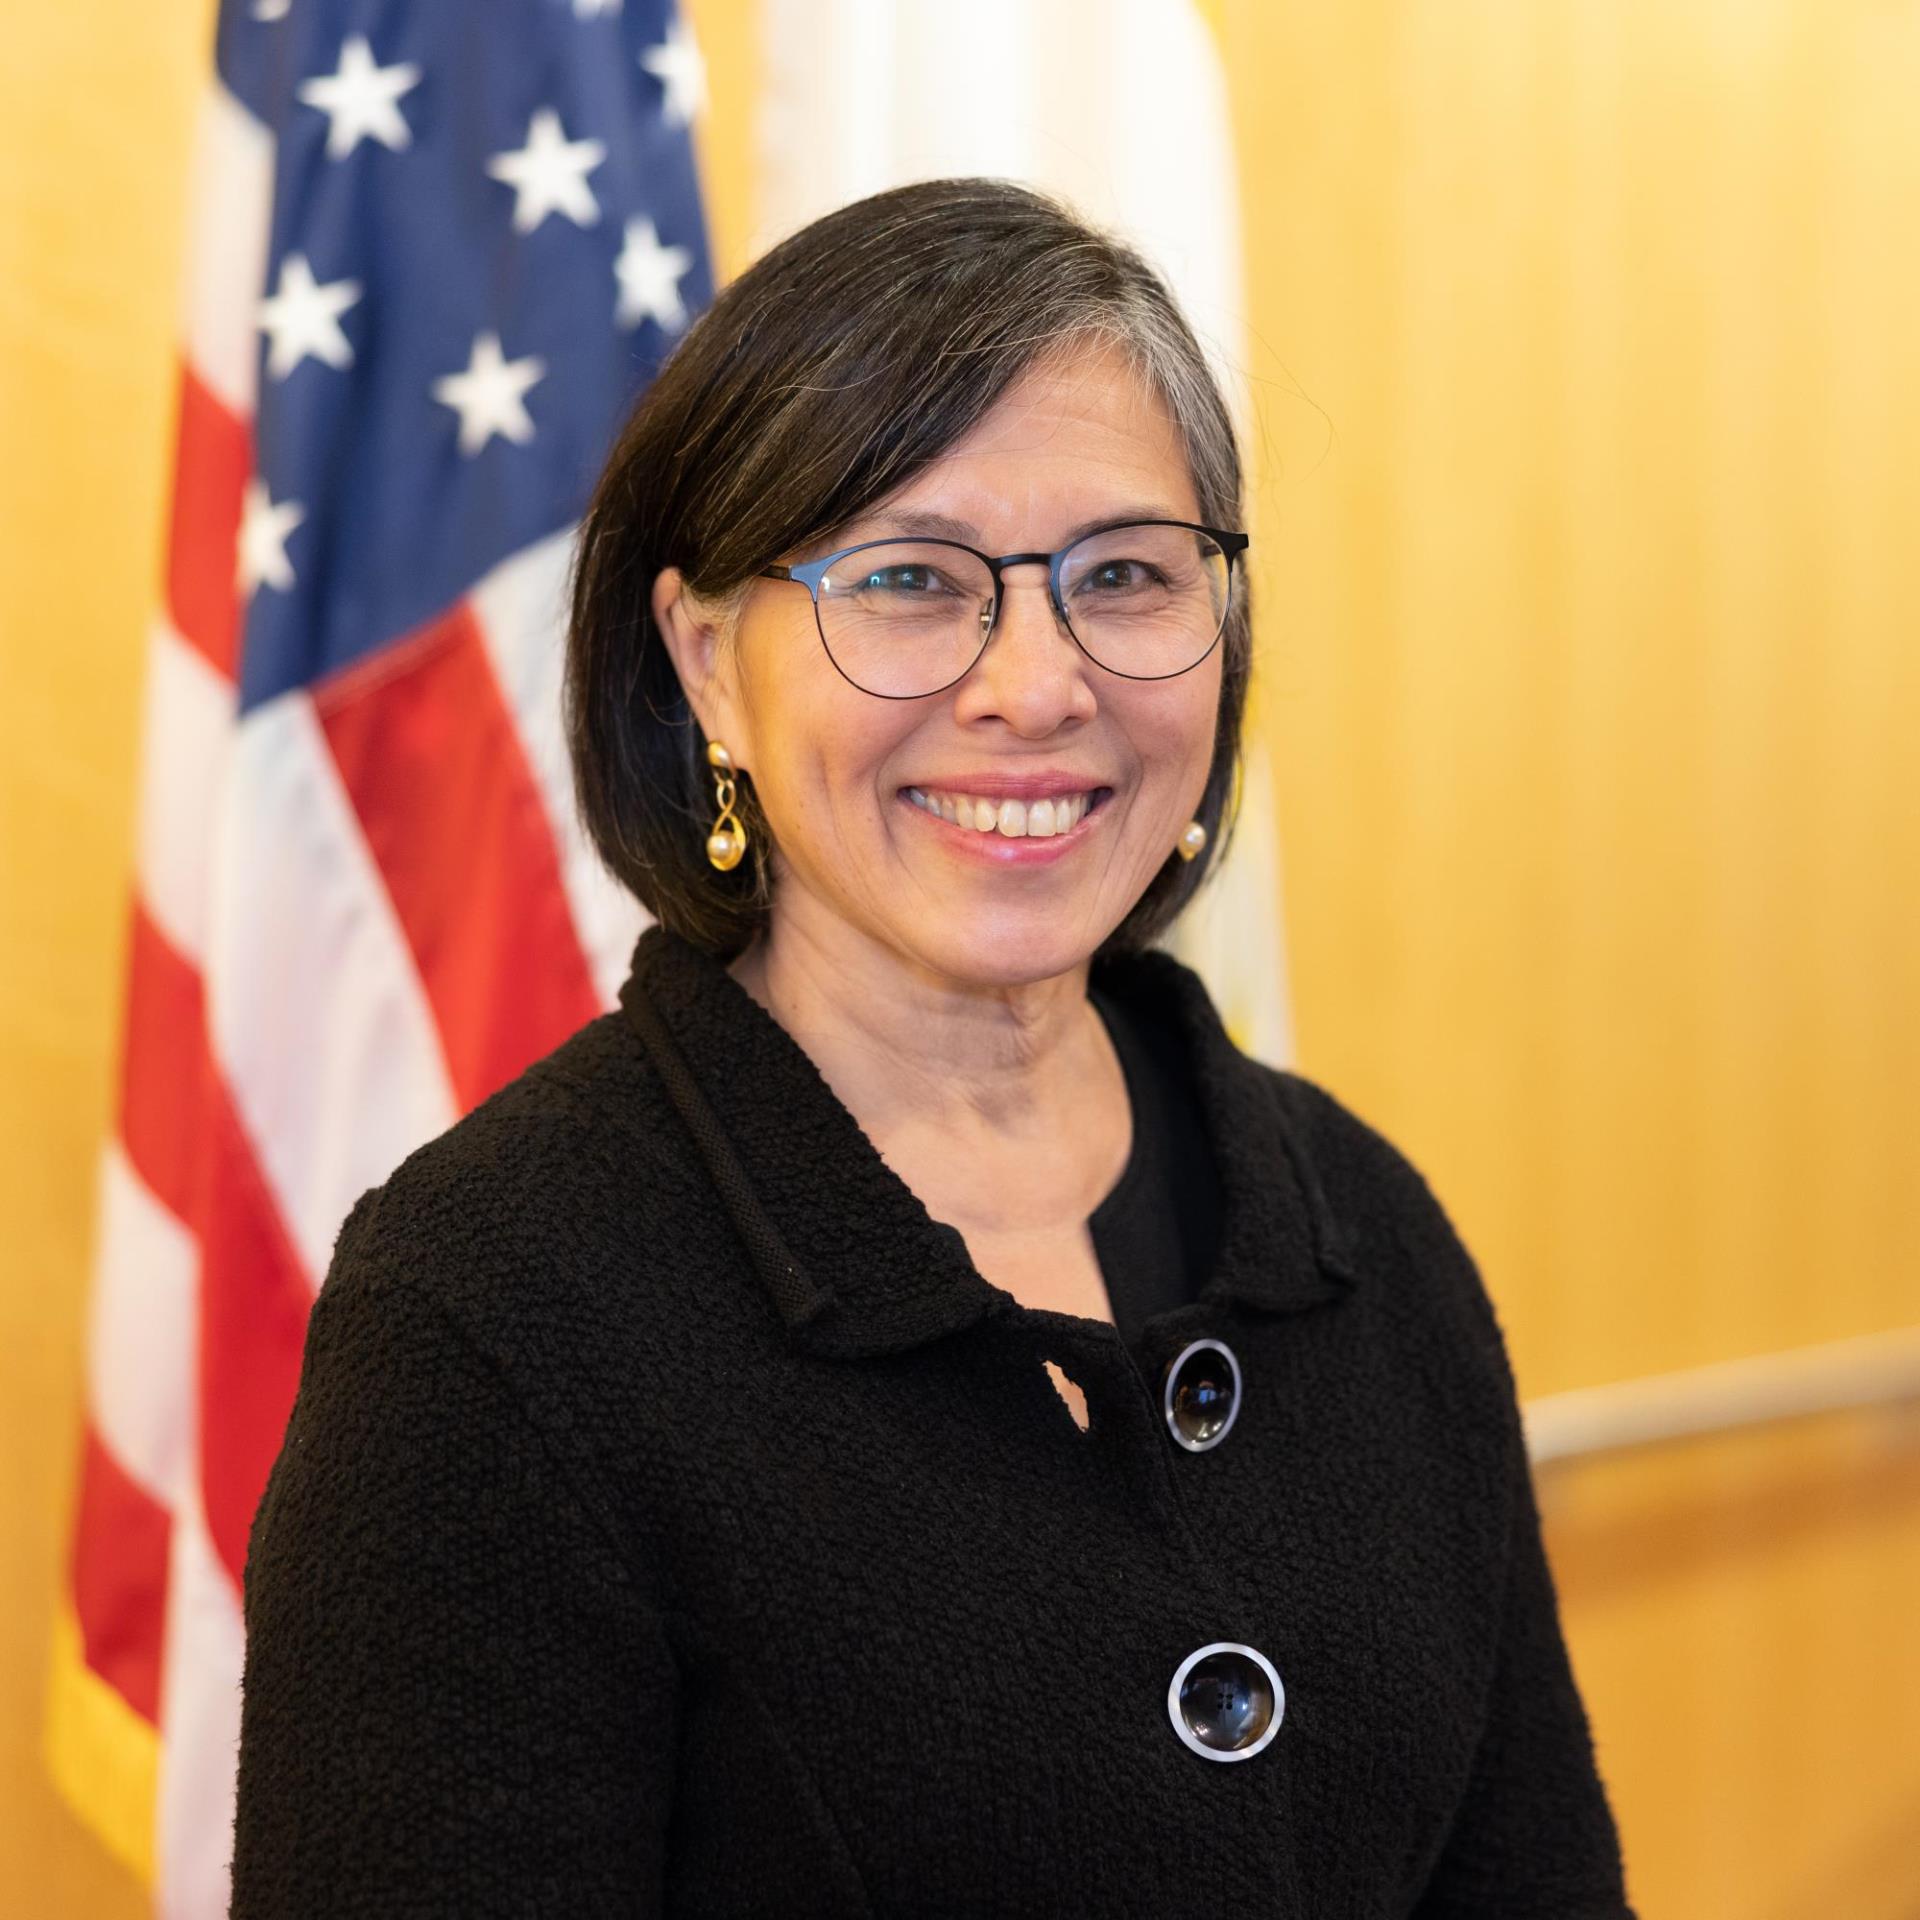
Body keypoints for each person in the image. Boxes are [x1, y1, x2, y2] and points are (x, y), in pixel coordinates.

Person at [229, 177, 1635, 1917]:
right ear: (706, 666)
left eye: (1123, 574)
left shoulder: (1362, 1230)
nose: (1037, 684)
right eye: (909, 579)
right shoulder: (497, 1316)